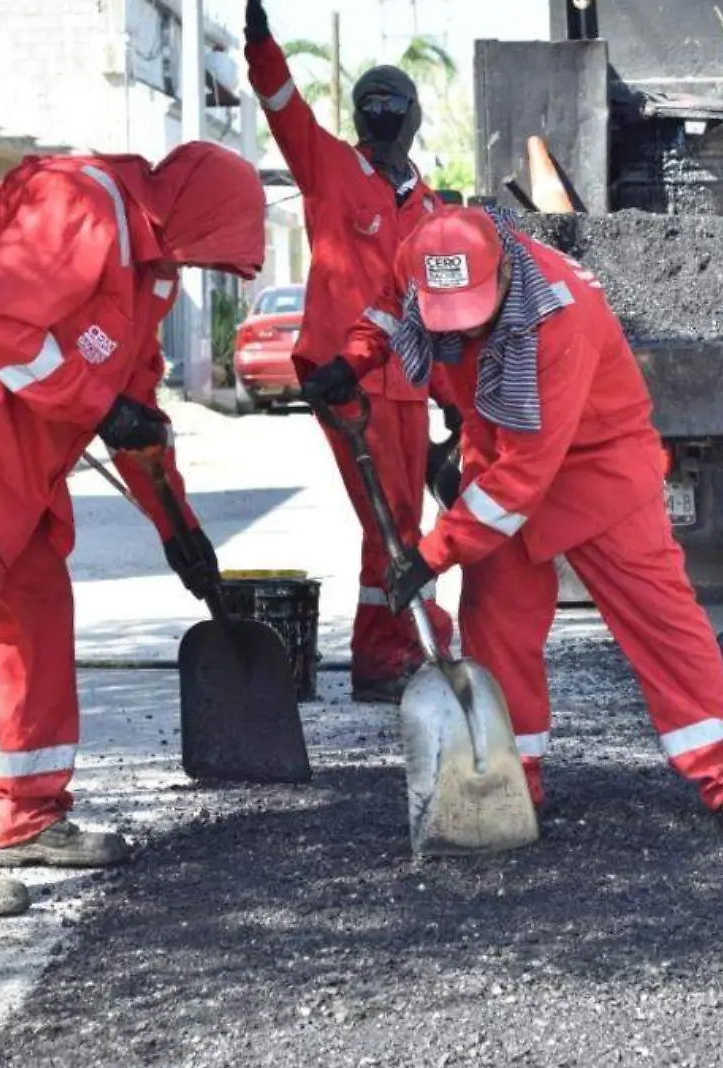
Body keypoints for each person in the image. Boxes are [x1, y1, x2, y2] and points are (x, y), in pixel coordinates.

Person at [0, 143, 266, 916]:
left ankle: (26, 814)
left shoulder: (149, 271)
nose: (201, 270)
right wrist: (98, 408)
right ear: (189, 216)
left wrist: (179, 527)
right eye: (207, 251)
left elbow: (133, 408)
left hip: (14, 456)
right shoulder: (78, 202)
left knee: (38, 612)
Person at [312, 206, 723, 841]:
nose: (461, 332)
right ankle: (512, 784)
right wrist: (355, 358)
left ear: (505, 271)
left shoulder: (560, 319)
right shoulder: (426, 255)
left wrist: (431, 553)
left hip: (599, 468)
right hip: (500, 446)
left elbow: (522, 480)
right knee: (496, 625)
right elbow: (390, 305)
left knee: (663, 625)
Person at [243, 0, 455, 702]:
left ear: (413, 116)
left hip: (409, 385)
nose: (386, 113)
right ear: (362, 117)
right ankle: (385, 656)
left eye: (396, 103)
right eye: (375, 103)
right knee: (387, 520)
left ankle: (397, 641)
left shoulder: (431, 208)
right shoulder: (329, 169)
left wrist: (454, 402)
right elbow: (282, 107)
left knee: (401, 517)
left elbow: (439, 308)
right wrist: (260, 43)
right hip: (345, 379)